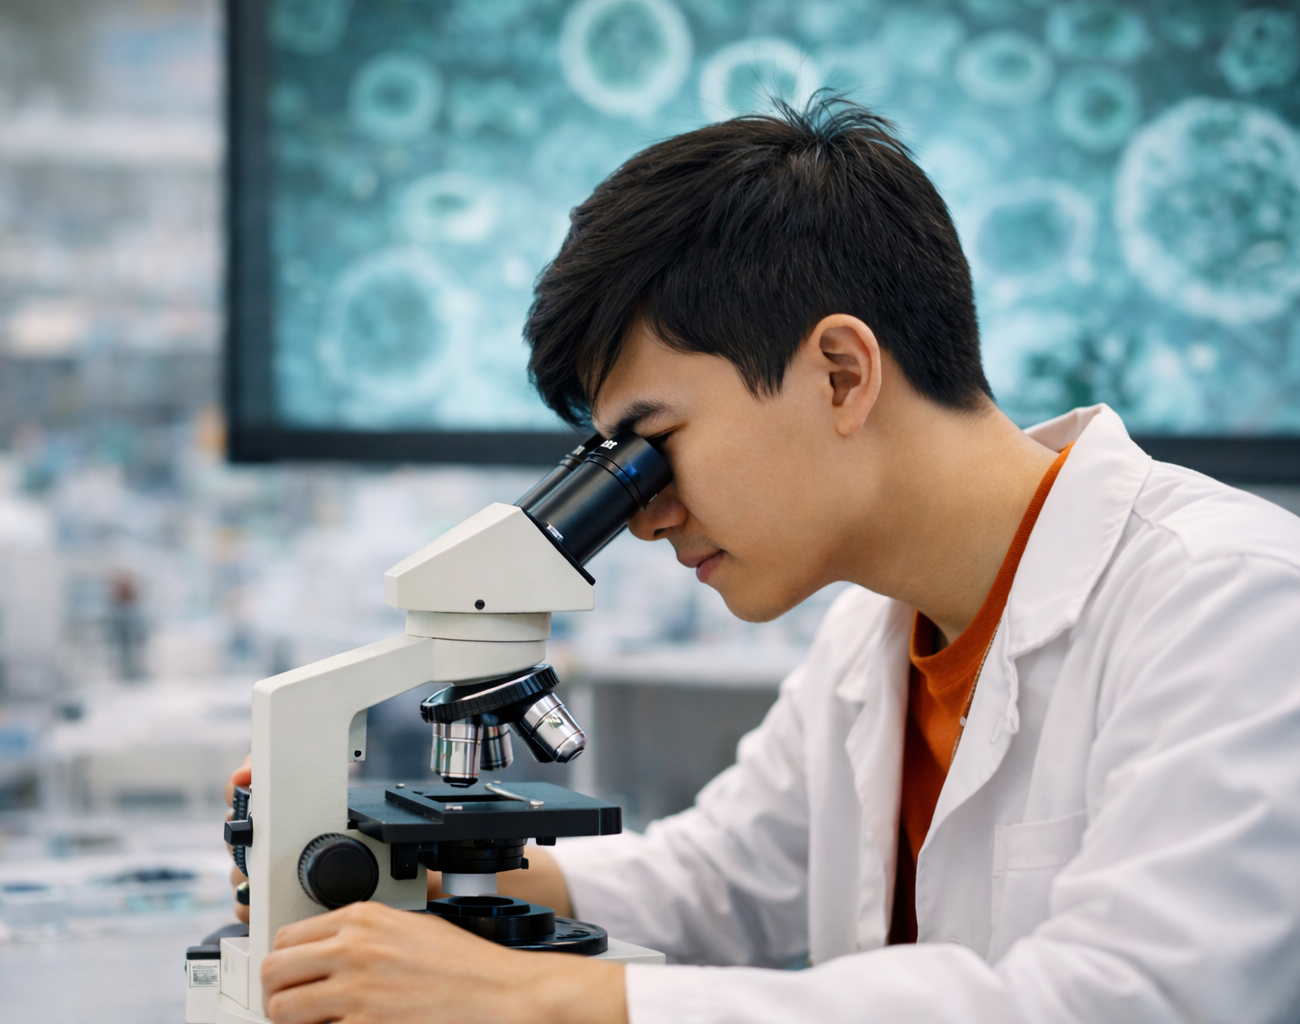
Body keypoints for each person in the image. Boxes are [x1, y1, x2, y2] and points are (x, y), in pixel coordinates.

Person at [233, 97, 1300, 1023]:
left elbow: (1136, 999)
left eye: (653, 446)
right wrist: (410, 881)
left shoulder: (1236, 604)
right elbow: (717, 878)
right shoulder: (869, 638)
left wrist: (549, 1000)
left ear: (840, 371)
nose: (643, 518)